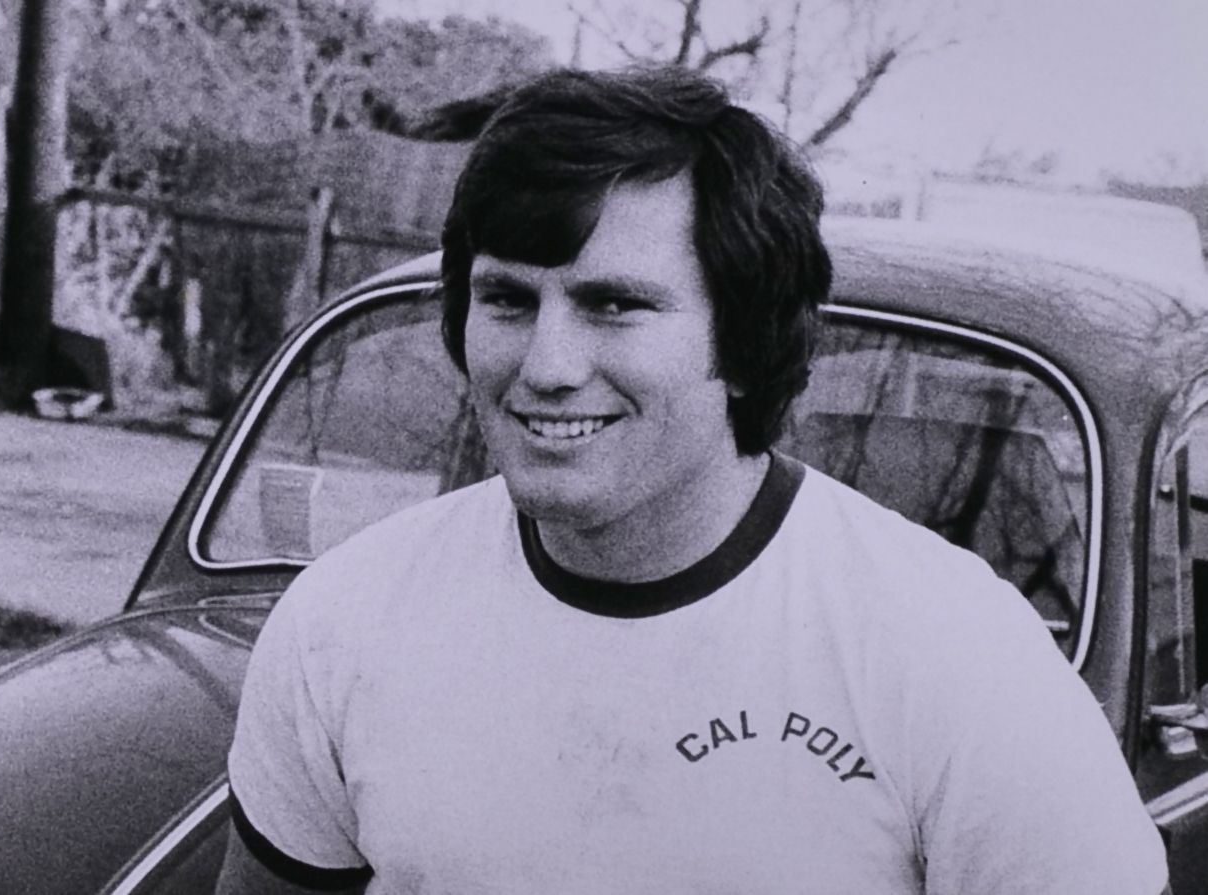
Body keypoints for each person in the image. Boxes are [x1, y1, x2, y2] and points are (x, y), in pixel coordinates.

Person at [217, 66, 1169, 894]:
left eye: (613, 305)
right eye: (506, 298)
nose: (546, 365)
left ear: (746, 341)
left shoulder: (953, 652)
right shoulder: (343, 620)